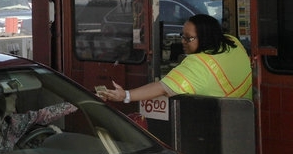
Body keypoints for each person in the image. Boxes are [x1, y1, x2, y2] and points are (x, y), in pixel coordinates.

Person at [99, 14, 252, 103]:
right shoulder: (233, 42)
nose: (183, 42)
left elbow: (162, 88)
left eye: (188, 38)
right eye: (182, 36)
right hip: (244, 118)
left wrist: (125, 95)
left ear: (205, 37)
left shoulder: (198, 64)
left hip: (213, 127)